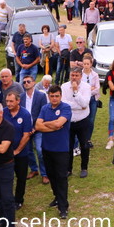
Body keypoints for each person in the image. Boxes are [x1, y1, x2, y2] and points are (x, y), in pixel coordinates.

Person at [35, 85, 72, 219]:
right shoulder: (45, 108)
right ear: (48, 96)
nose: (54, 98)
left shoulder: (66, 108)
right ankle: (57, 197)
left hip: (61, 149)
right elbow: (37, 126)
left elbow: (59, 124)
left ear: (61, 96)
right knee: (51, 175)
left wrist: (47, 124)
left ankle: (63, 207)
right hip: (47, 148)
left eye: (57, 96)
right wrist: (53, 125)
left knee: (61, 177)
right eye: (52, 96)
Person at [3, 92, 33, 210]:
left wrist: (17, 150)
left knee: (21, 177)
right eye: (7, 101)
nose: (8, 104)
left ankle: (19, 200)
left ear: (18, 101)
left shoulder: (25, 114)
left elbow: (26, 135)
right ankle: (4, 200)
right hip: (5, 152)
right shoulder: (3, 112)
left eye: (11, 101)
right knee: (5, 178)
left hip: (21, 153)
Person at [61, 67, 91, 178]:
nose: (74, 78)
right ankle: (68, 169)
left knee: (84, 145)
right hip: (68, 121)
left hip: (82, 120)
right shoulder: (63, 87)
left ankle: (84, 168)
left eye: (76, 75)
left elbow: (84, 104)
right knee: (68, 146)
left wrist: (75, 91)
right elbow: (63, 103)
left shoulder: (86, 87)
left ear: (81, 76)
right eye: (72, 75)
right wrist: (78, 106)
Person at [22, 76, 49, 184]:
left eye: (28, 81)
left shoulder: (41, 96)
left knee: (39, 150)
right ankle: (34, 169)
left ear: (34, 83)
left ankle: (45, 173)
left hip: (38, 128)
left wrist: (35, 127)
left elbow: (43, 113)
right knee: (28, 150)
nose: (26, 83)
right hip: (25, 129)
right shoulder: (21, 96)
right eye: (24, 82)